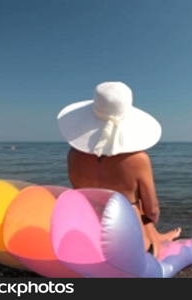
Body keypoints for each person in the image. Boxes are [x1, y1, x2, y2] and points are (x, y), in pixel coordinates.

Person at [57, 81, 181, 257]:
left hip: (89, 235)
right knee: (135, 205)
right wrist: (145, 217)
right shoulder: (138, 159)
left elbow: (78, 194)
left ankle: (157, 236)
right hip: (133, 249)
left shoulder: (73, 154)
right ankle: (156, 240)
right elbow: (152, 210)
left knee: (118, 202)